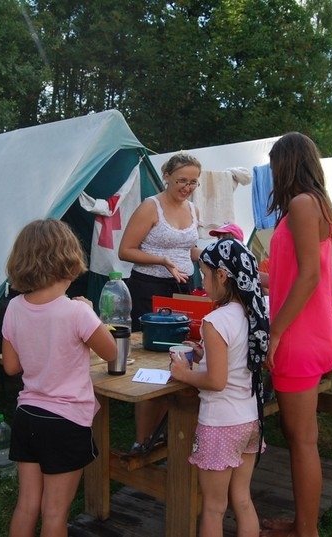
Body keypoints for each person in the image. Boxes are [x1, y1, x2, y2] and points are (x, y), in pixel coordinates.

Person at [0, 218, 117, 537]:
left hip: (27, 416)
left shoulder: (14, 308)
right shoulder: (77, 312)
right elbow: (110, 352)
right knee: (54, 513)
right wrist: (91, 314)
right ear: (68, 262)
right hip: (66, 421)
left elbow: (10, 366)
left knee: (27, 505)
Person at [261, 132, 332, 537]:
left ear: (286, 164)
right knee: (302, 438)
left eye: (274, 165)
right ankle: (302, 524)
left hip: (299, 336)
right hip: (317, 330)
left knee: (302, 441)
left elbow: (308, 277)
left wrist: (274, 333)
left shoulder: (302, 204)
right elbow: (296, 274)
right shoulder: (319, 204)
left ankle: (305, 531)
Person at [170, 238, 269, 537]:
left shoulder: (214, 321)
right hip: (250, 419)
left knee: (214, 508)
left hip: (221, 424)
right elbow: (237, 361)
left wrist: (183, 373)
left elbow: (216, 381)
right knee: (242, 499)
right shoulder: (252, 312)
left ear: (222, 275)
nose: (201, 281)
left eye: (204, 273)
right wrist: (204, 355)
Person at [118, 152, 201, 453]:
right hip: (150, 288)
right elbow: (125, 250)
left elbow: (189, 249)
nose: (187, 187)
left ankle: (168, 429)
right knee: (152, 357)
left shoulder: (193, 208)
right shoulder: (150, 207)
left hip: (183, 287)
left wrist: (212, 256)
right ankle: (142, 438)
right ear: (166, 176)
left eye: (193, 182)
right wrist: (162, 261)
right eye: (181, 181)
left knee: (181, 353)